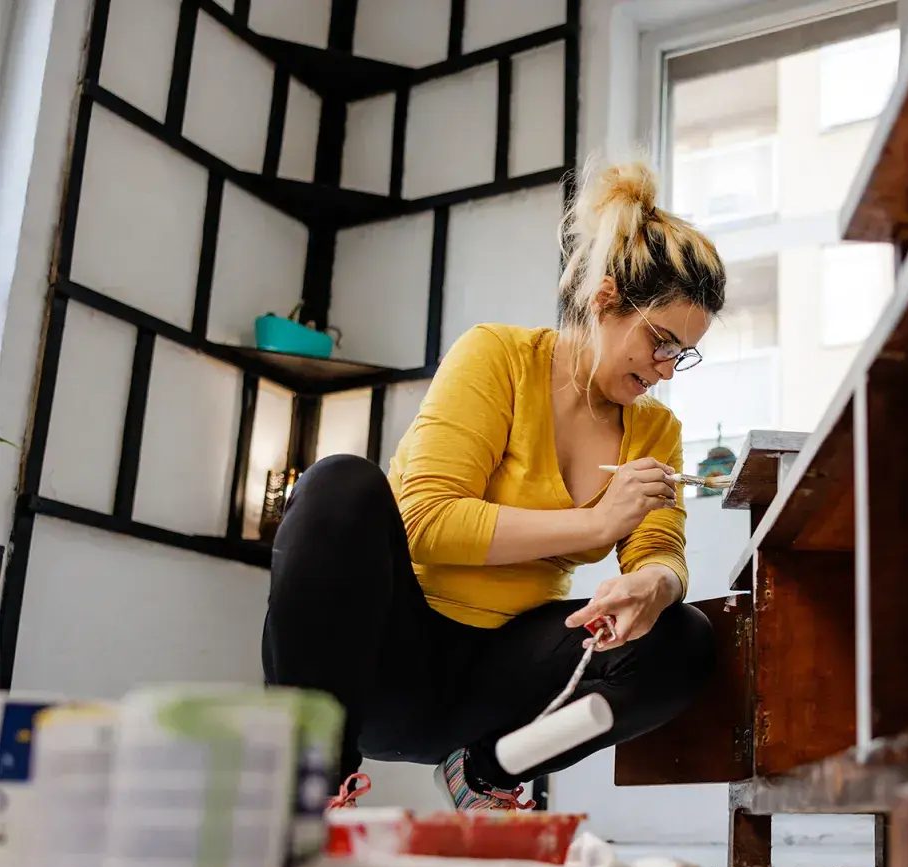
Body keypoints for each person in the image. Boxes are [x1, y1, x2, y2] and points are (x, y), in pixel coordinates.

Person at [261, 159, 723, 811]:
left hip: (503, 685)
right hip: (385, 663)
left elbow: (658, 546)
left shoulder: (654, 429)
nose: (667, 369)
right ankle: (312, 779)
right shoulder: (498, 356)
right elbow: (427, 522)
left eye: (683, 354)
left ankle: (487, 775)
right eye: (661, 341)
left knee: (685, 640)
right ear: (605, 299)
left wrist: (658, 583)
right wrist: (595, 524)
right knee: (338, 484)